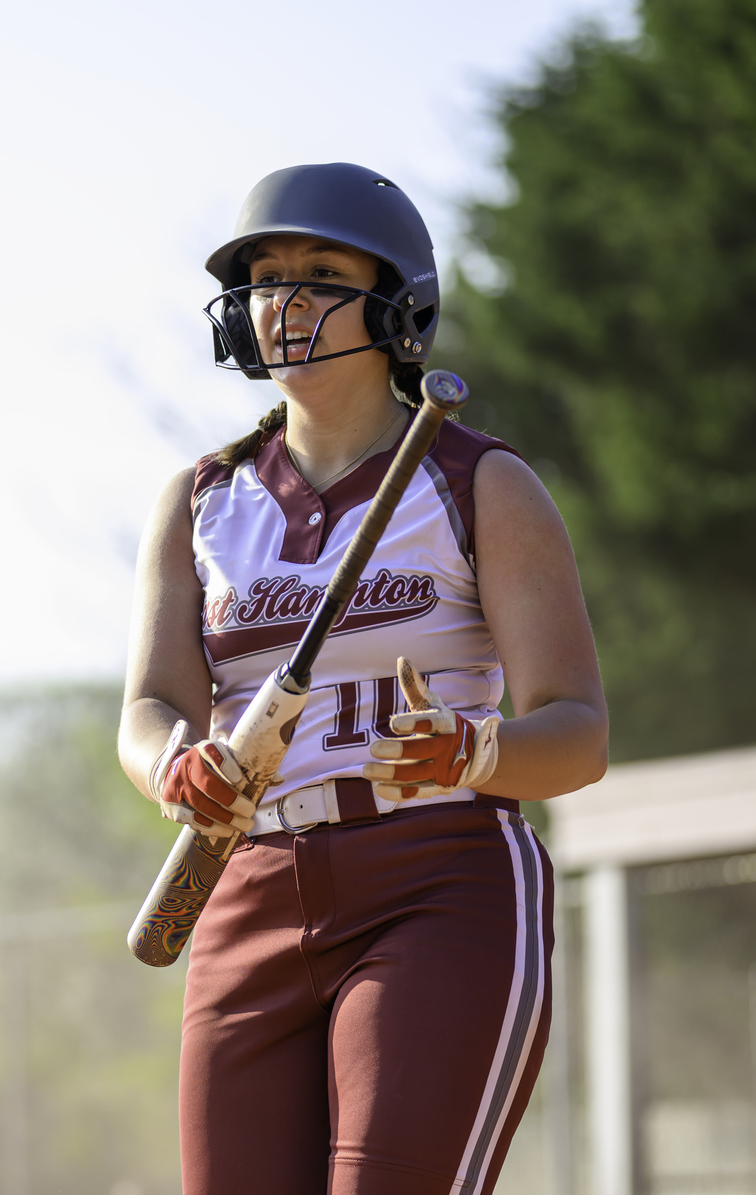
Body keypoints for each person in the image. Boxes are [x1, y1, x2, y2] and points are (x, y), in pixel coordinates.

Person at [118, 163, 608, 1195]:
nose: (286, 299)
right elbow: (148, 710)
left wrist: (477, 751)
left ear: (397, 304)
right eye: (264, 276)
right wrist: (175, 764)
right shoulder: (198, 498)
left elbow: (578, 734)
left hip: (437, 877)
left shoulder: (482, 481)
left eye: (323, 272)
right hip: (246, 888)